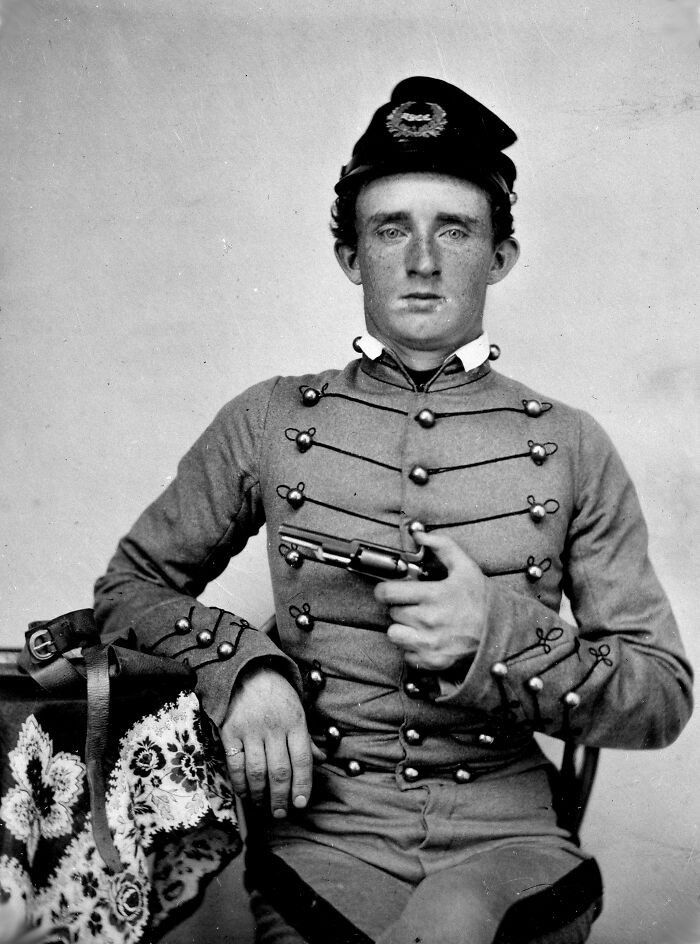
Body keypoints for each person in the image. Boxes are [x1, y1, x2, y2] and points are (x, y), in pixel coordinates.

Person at [94, 77, 693, 944]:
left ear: (501, 256)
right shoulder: (270, 419)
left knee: (451, 924)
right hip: (326, 842)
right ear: (351, 258)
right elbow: (128, 589)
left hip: (512, 841)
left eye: (454, 229)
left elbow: (662, 694)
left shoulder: (571, 444)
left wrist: (496, 632)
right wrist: (244, 667)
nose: (422, 261)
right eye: (391, 230)